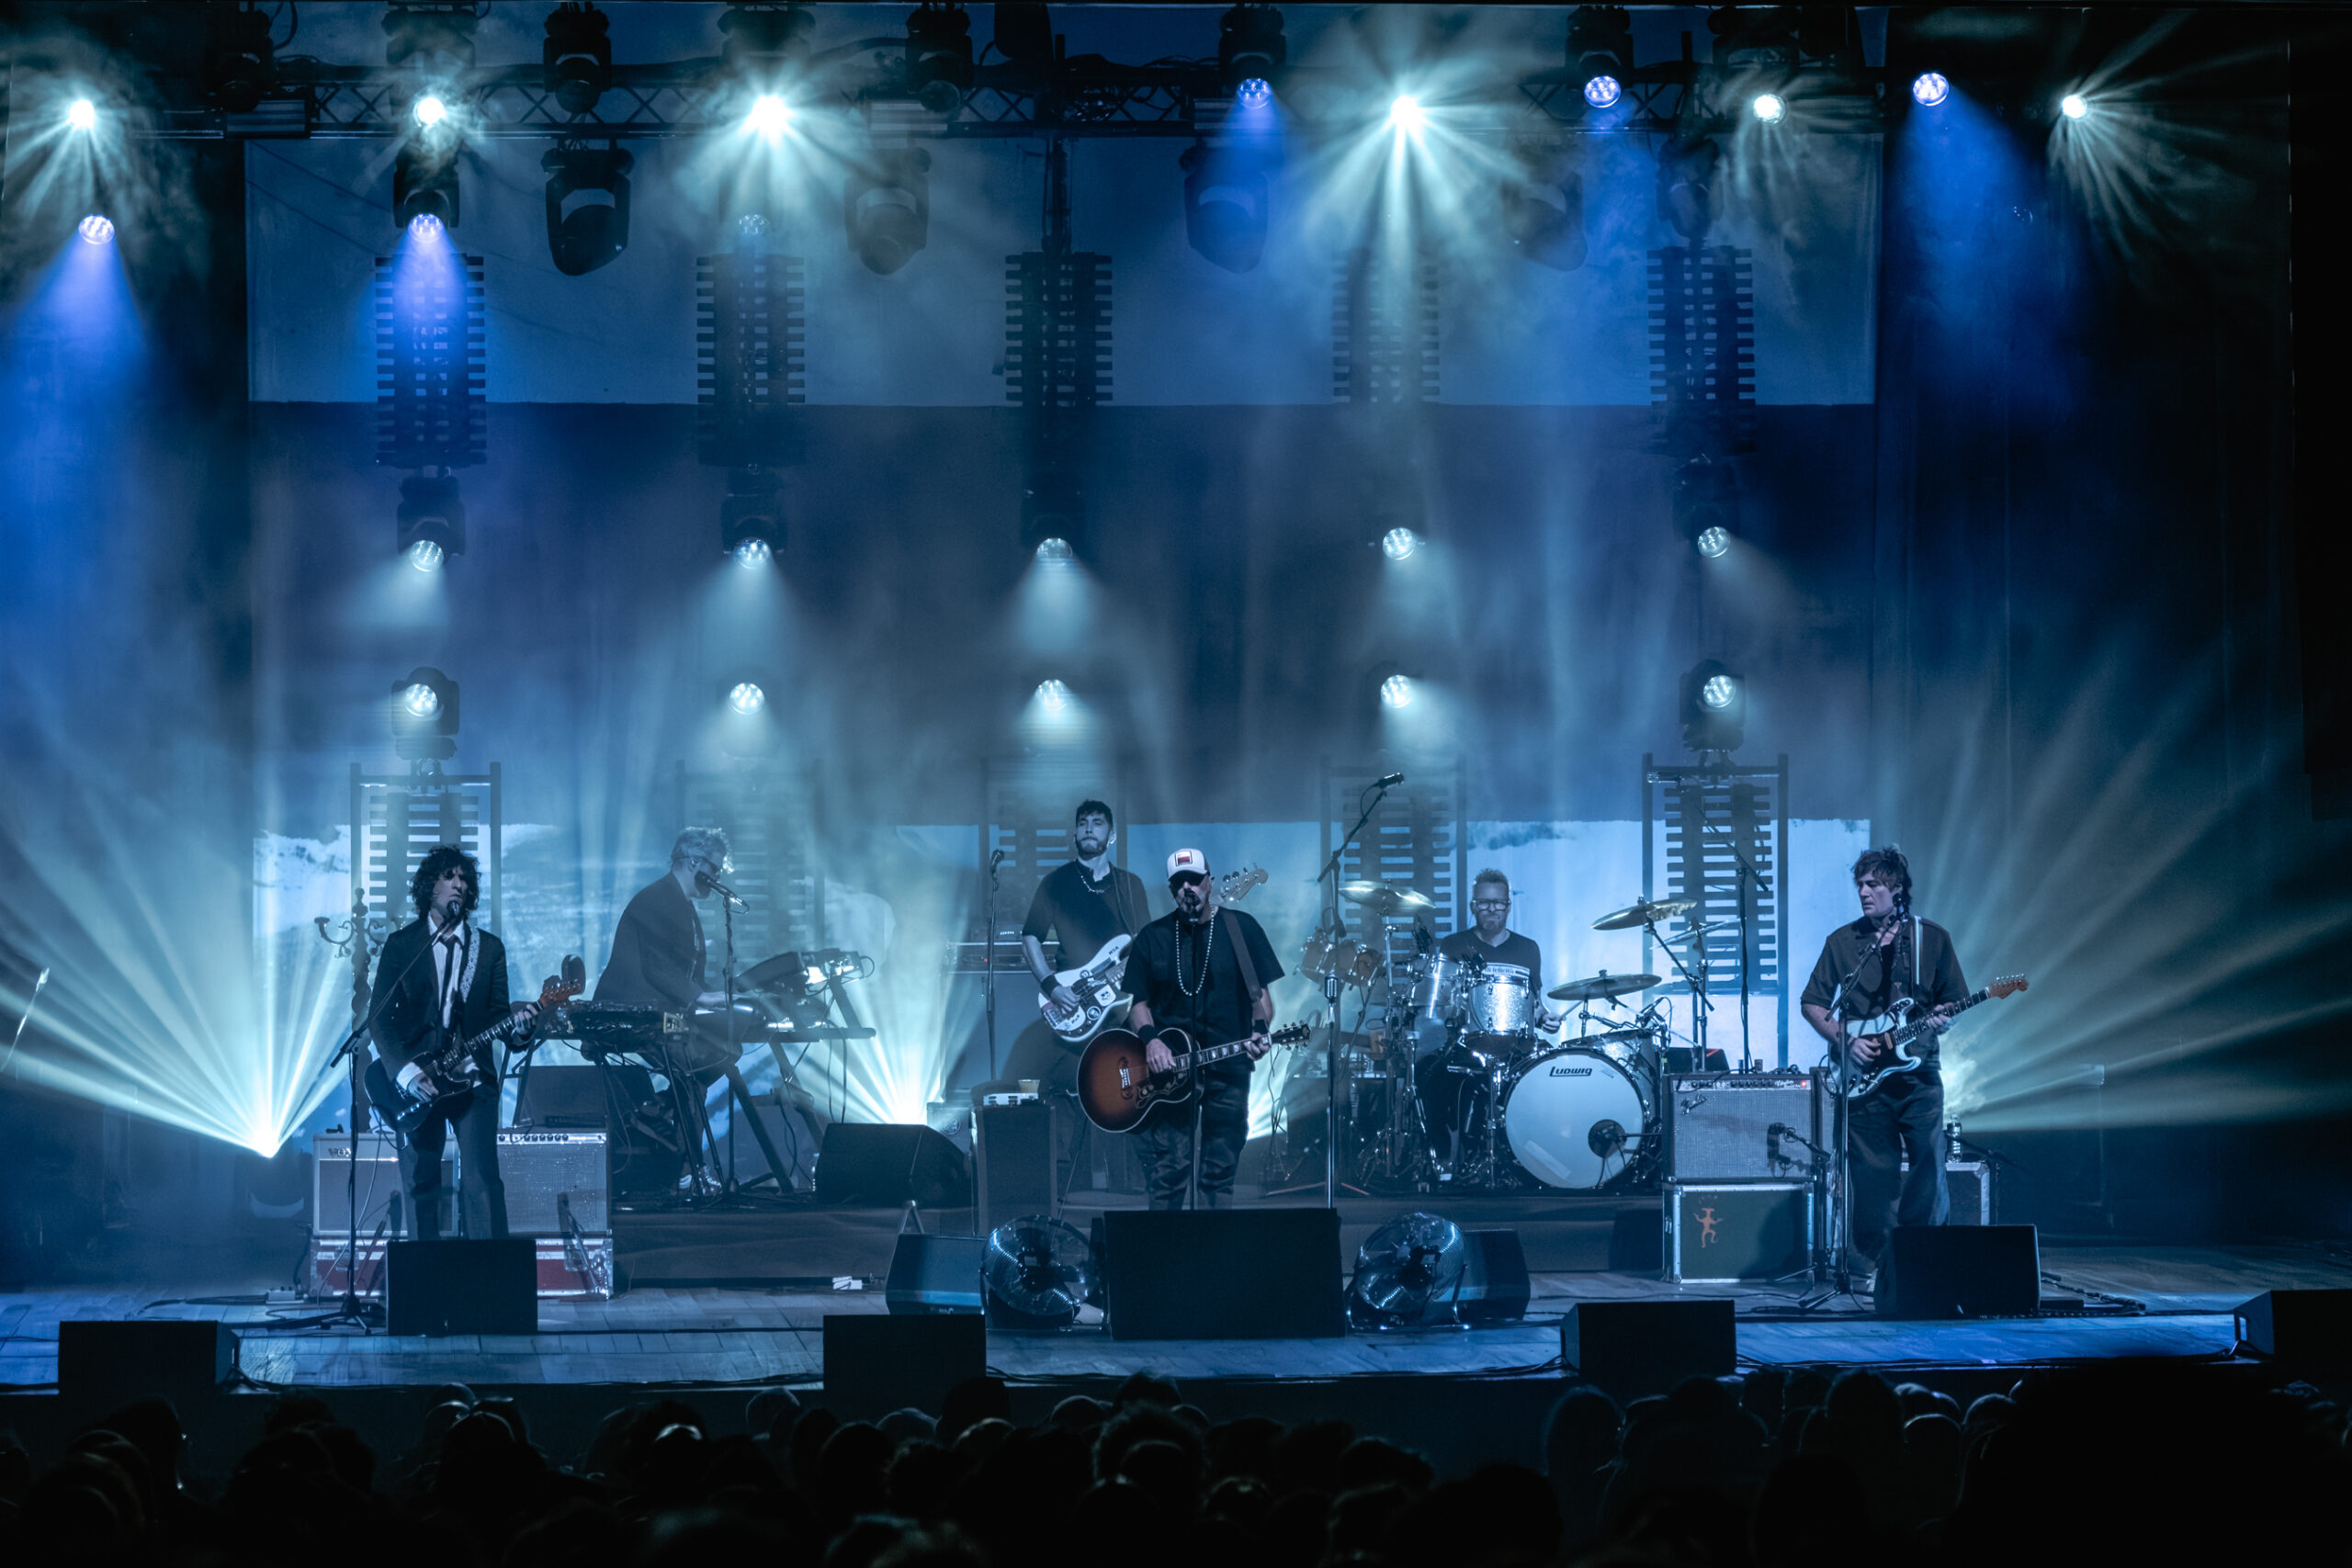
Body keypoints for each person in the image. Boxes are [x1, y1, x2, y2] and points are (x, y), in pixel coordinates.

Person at [1800, 846, 1969, 1285]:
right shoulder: (1843, 942)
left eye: (1873, 884)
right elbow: (1812, 1003)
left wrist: (1944, 1018)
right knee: (1873, 1175)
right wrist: (1845, 1040)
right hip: (1865, 1080)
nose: (1863, 892)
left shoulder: (1932, 938)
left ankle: (1922, 1256)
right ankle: (1879, 1264)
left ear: (1897, 889)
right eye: (1859, 884)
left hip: (1919, 1074)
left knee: (1929, 1162)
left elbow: (1952, 1000)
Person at [368, 844, 537, 1239]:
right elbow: (379, 1018)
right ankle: (424, 1274)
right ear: (430, 887)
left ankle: (488, 1273)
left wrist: (522, 1028)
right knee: (420, 1184)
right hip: (419, 1082)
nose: (458, 884)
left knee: (482, 1184)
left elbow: (498, 1018)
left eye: (464, 878)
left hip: (472, 1082)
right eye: (449, 877)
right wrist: (407, 1073)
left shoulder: (488, 949)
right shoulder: (403, 946)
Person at [1122, 850, 1283, 1209]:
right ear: (1171, 890)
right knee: (1168, 1172)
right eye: (1179, 883)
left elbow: (1261, 996)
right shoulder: (1152, 936)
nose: (1188, 888)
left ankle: (1215, 1245)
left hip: (1230, 1068)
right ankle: (1163, 1246)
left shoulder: (1242, 928)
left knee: (1218, 1174)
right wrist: (1151, 1042)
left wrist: (1260, 1029)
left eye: (1194, 879)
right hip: (1170, 1076)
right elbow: (1138, 1004)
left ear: (1209, 880)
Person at [1419, 869, 1557, 1170]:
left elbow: (1534, 1001)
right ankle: (1448, 1160)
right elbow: (1439, 1002)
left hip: (1517, 1047)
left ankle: (1534, 1160)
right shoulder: (1453, 945)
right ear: (1473, 906)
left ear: (1508, 906)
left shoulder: (1528, 948)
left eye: (1498, 903)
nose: (1492, 909)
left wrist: (1545, 1017)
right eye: (1484, 903)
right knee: (1430, 1072)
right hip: (1467, 1045)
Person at [1020, 799, 1151, 1022]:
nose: (1089, 829)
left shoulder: (1130, 884)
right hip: (1073, 1001)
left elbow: (1145, 942)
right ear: (1075, 834)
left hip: (1124, 1000)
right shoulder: (1055, 882)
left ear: (1112, 835)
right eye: (1082, 823)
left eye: (1097, 823)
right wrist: (1052, 986)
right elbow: (1030, 939)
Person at [596, 827, 736, 1013]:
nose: (717, 877)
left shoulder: (684, 906)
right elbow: (657, 965)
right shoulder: (656, 898)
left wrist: (722, 995)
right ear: (694, 862)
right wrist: (698, 996)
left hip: (650, 1016)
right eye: (714, 869)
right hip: (623, 1018)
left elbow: (687, 975)